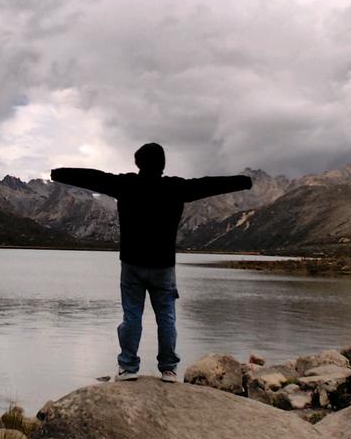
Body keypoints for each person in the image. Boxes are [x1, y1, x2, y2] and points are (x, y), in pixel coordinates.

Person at [51, 143, 253, 383]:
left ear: (138, 163)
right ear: (163, 165)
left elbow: (93, 178)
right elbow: (209, 184)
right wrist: (243, 181)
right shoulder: (176, 187)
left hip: (132, 264)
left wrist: (58, 173)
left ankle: (128, 367)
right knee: (166, 317)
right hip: (163, 266)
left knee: (132, 316)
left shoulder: (125, 184)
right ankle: (168, 369)